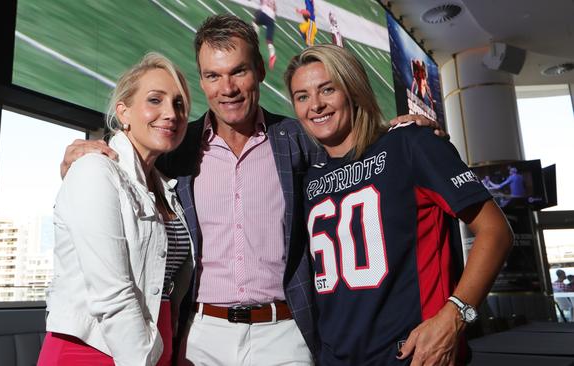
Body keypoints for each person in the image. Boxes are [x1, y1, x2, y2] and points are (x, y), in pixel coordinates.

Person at [60, 15, 443, 365]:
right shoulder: (179, 145)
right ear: (202, 79)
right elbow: (126, 174)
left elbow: (352, 145)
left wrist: (396, 129)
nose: (226, 88)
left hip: (284, 332)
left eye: (238, 72)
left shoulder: (297, 138)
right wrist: (76, 156)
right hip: (202, 334)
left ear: (259, 70)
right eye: (212, 76)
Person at [284, 44, 513, 365]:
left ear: (353, 89)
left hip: (414, 355)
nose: (316, 105)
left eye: (327, 89)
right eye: (302, 96)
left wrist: (455, 317)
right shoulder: (309, 181)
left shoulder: (410, 143)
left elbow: (496, 232)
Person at [39, 53, 194, 366]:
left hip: (152, 344)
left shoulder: (167, 189)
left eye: (179, 105)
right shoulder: (95, 170)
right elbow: (112, 295)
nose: (171, 114)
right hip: (94, 350)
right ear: (124, 112)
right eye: (155, 100)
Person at [252, 0, 278, 69]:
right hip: (272, 19)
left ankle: (255, 42)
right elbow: (275, 11)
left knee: (255, 23)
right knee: (269, 40)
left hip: (264, 14)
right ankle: (272, 55)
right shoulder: (273, 2)